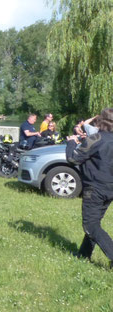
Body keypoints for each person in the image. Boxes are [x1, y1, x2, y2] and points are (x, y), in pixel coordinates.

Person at [66, 108, 113, 270]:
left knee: (90, 226)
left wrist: (71, 142)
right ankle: (83, 255)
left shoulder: (96, 138)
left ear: (100, 121)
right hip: (110, 189)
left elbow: (73, 159)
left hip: (95, 188)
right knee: (95, 223)